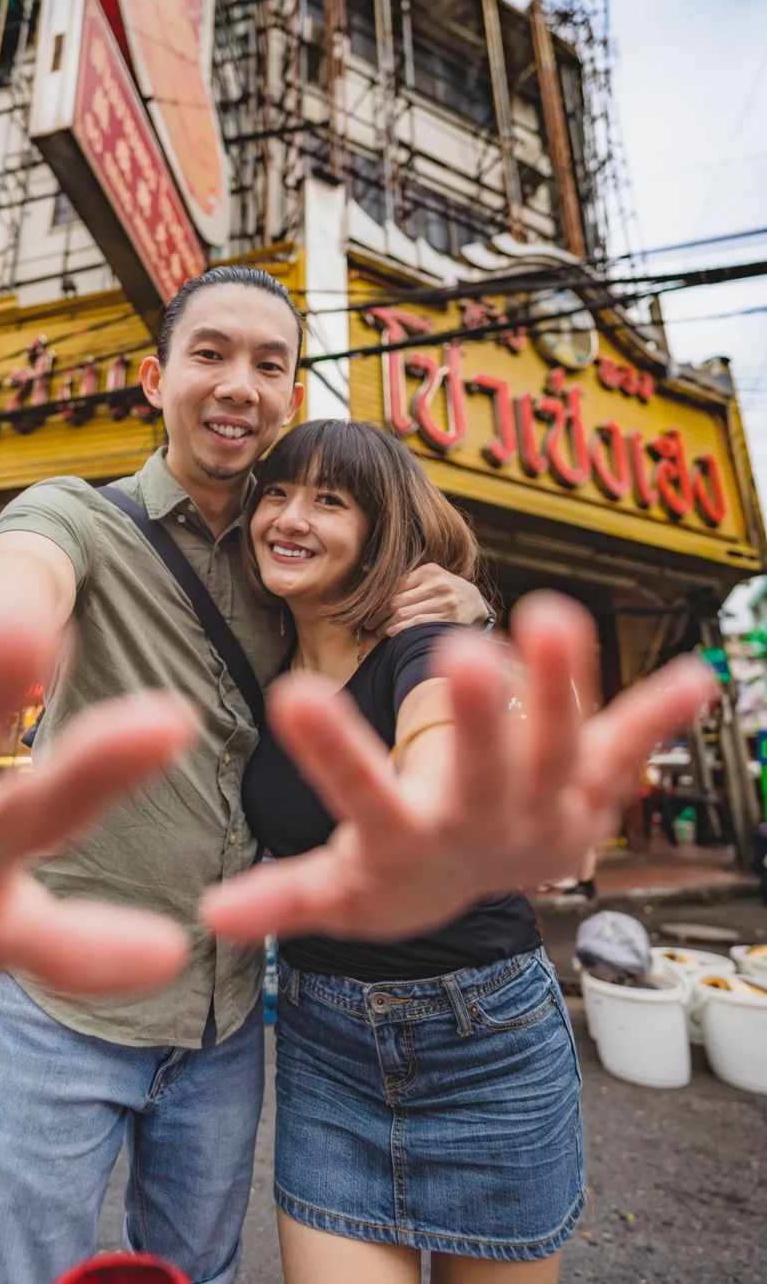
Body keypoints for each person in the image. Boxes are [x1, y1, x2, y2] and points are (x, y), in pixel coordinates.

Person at [0, 269, 713, 1278]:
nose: (239, 383)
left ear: (291, 395)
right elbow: (5, 600)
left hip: (231, 1028)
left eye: (269, 363)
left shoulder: (301, 581)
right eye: (210, 353)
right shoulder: (75, 520)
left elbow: (439, 698)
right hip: (66, 1008)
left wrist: (473, 650)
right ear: (154, 377)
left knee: (197, 1272)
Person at [238, 419, 582, 1281]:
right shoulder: (255, 668)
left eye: (329, 500)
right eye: (276, 492)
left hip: (486, 1042)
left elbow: (441, 730)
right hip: (327, 1049)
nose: (289, 517)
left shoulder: (421, 644)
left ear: (377, 532)